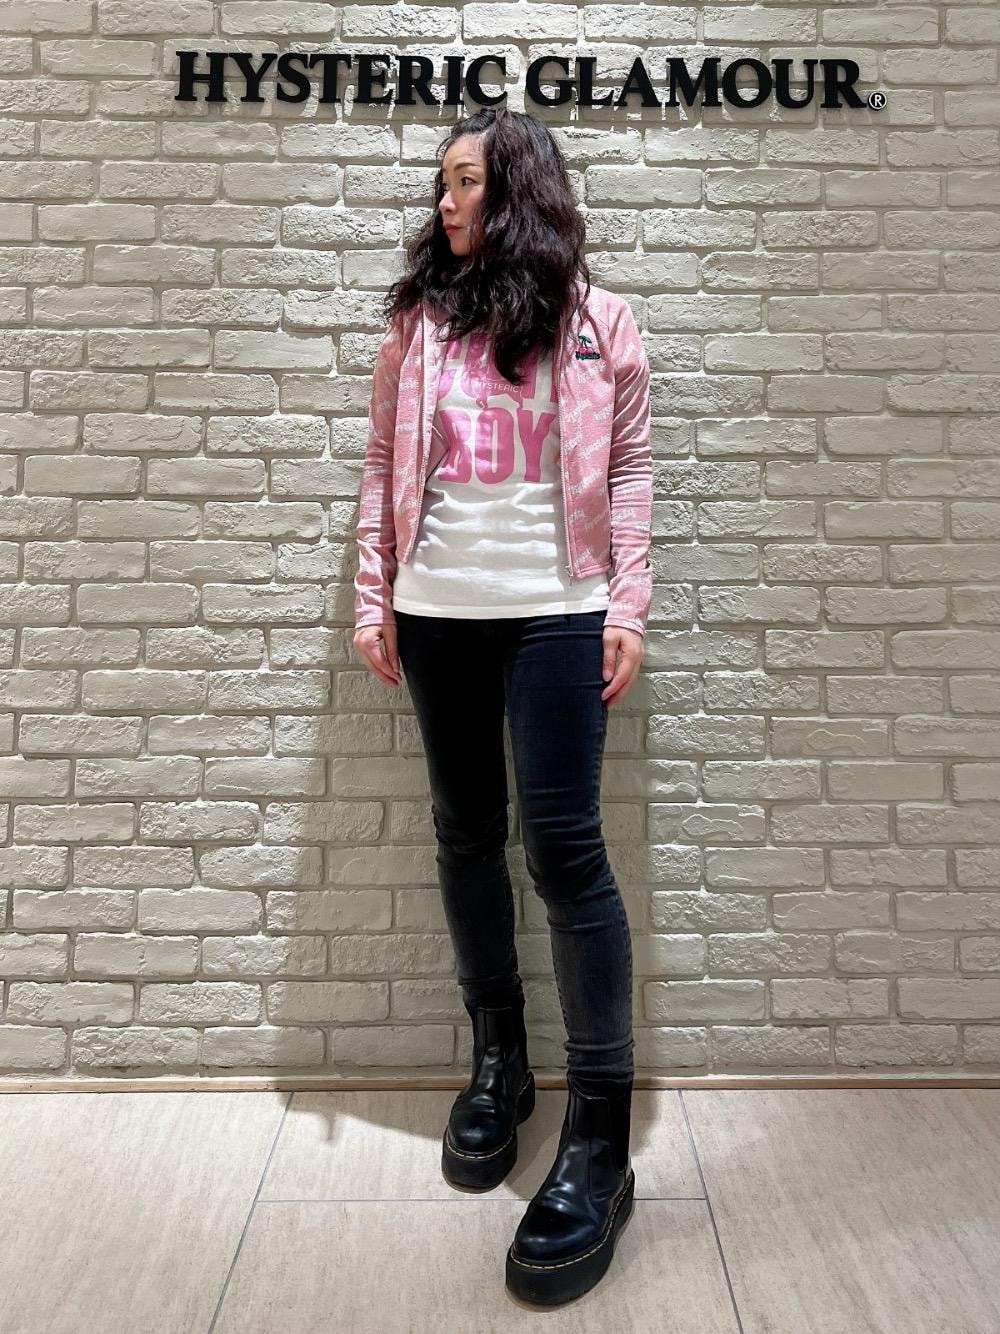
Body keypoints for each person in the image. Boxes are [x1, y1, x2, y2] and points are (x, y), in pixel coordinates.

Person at [352, 106, 652, 1306]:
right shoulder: (418, 323)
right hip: (436, 611)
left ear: (518, 189)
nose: (445, 201)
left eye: (464, 181)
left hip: (558, 610)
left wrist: (626, 601)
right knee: (465, 831)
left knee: (565, 850)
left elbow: (629, 468)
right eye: (441, 182)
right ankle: (500, 1063)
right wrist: (373, 595)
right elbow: (381, 464)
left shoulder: (600, 323)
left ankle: (598, 1134)